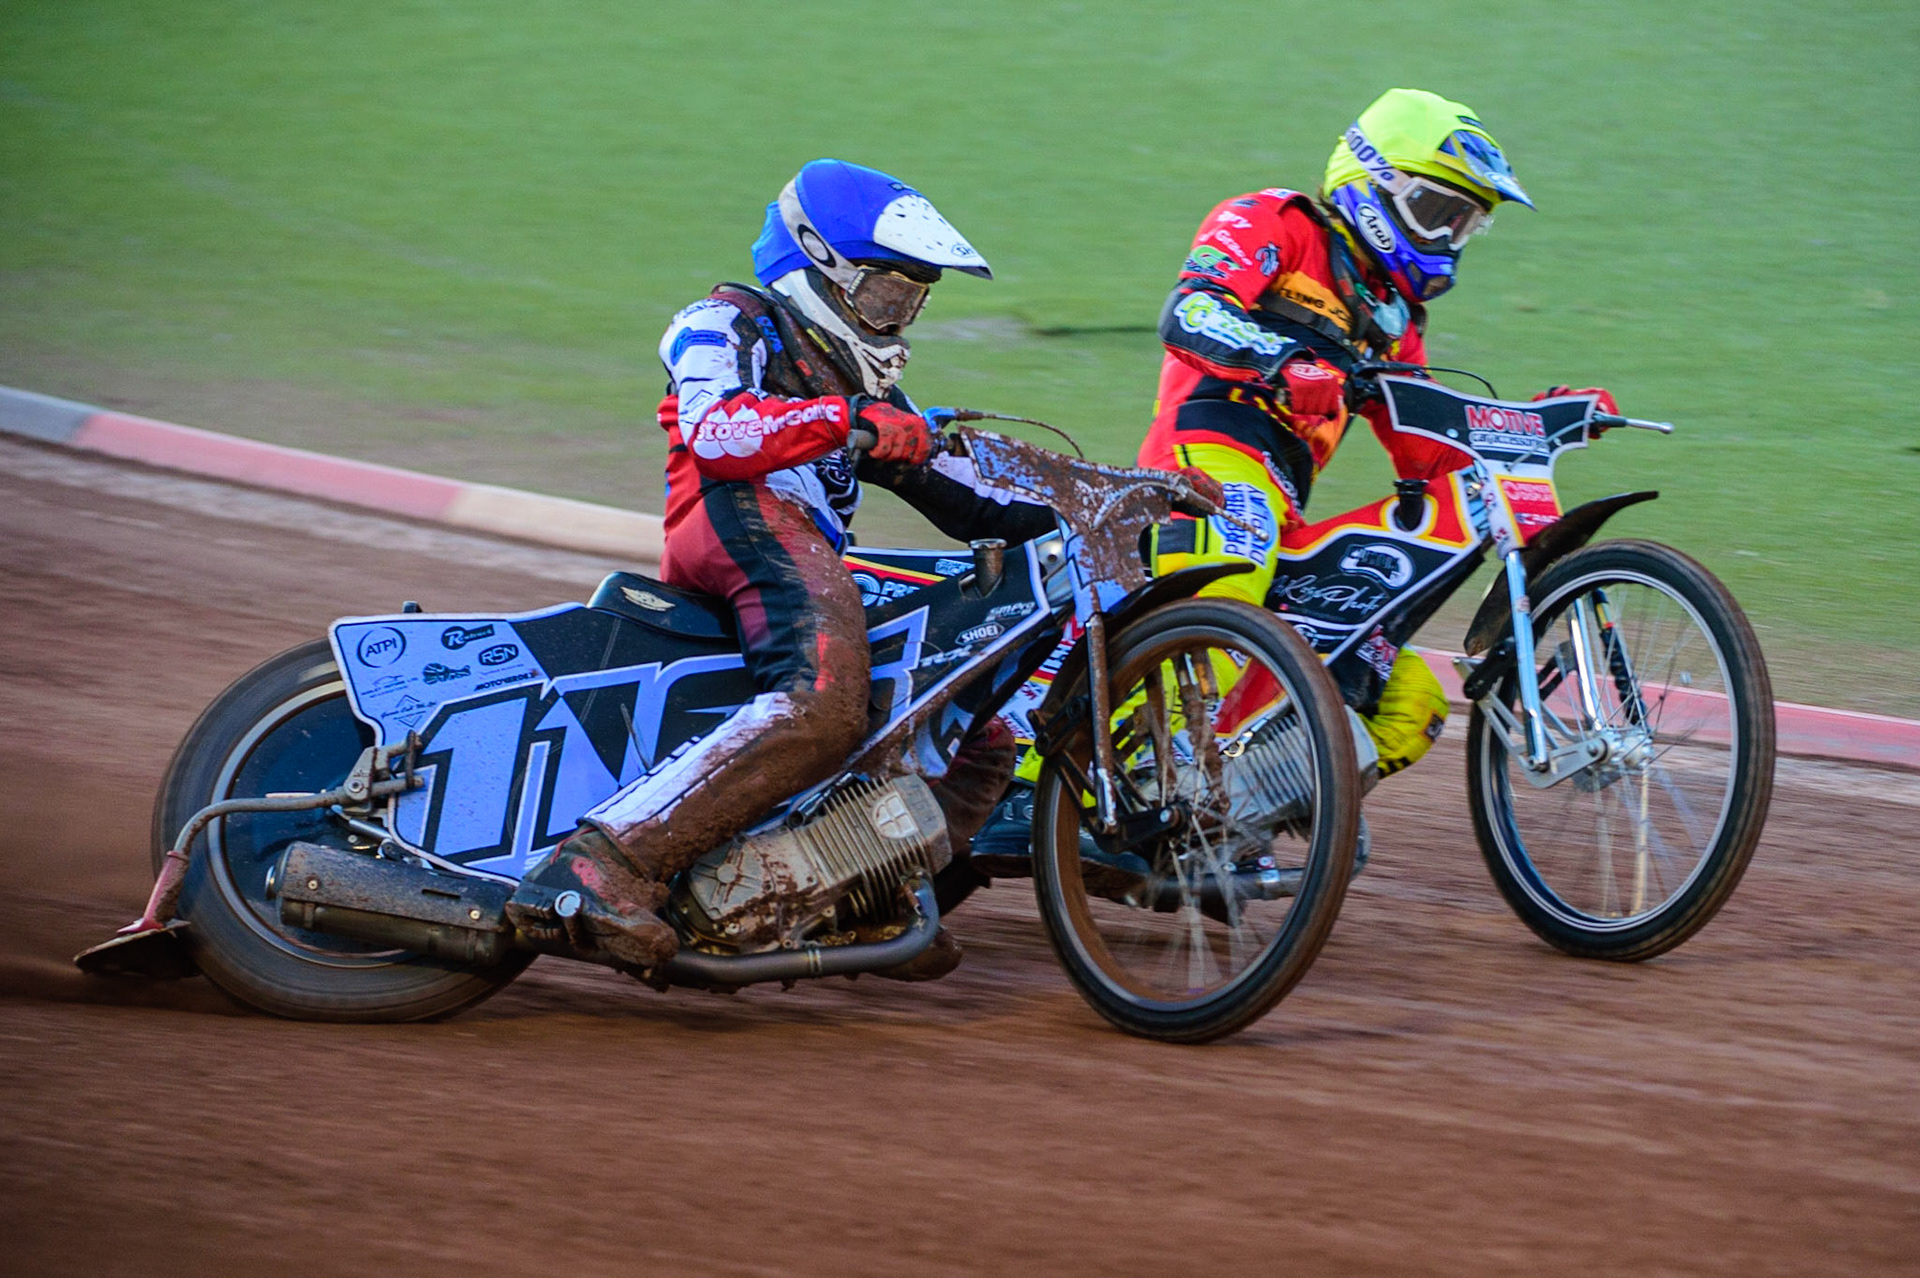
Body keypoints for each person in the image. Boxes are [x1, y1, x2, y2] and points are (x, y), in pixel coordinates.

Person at [972, 87, 1614, 878]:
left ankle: (1225, 814)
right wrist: (1282, 361)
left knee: (1409, 698)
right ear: (1375, 185)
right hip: (1200, 463)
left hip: (1284, 513)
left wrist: (1520, 429)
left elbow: (1429, 456)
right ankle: (1030, 782)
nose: (1450, 239)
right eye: (1440, 211)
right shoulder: (1274, 221)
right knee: (1238, 560)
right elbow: (1192, 312)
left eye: (1466, 224)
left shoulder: (1394, 320)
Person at [508, 159, 1060, 974]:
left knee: (976, 733)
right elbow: (714, 428)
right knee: (828, 696)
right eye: (884, 295)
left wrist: (1113, 499)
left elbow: (977, 500)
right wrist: (847, 421)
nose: (896, 317)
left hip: (803, 547)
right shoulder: (725, 321)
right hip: (731, 518)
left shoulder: (860, 389)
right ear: (817, 265)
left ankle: (855, 899)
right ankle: (600, 867)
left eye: (912, 300)